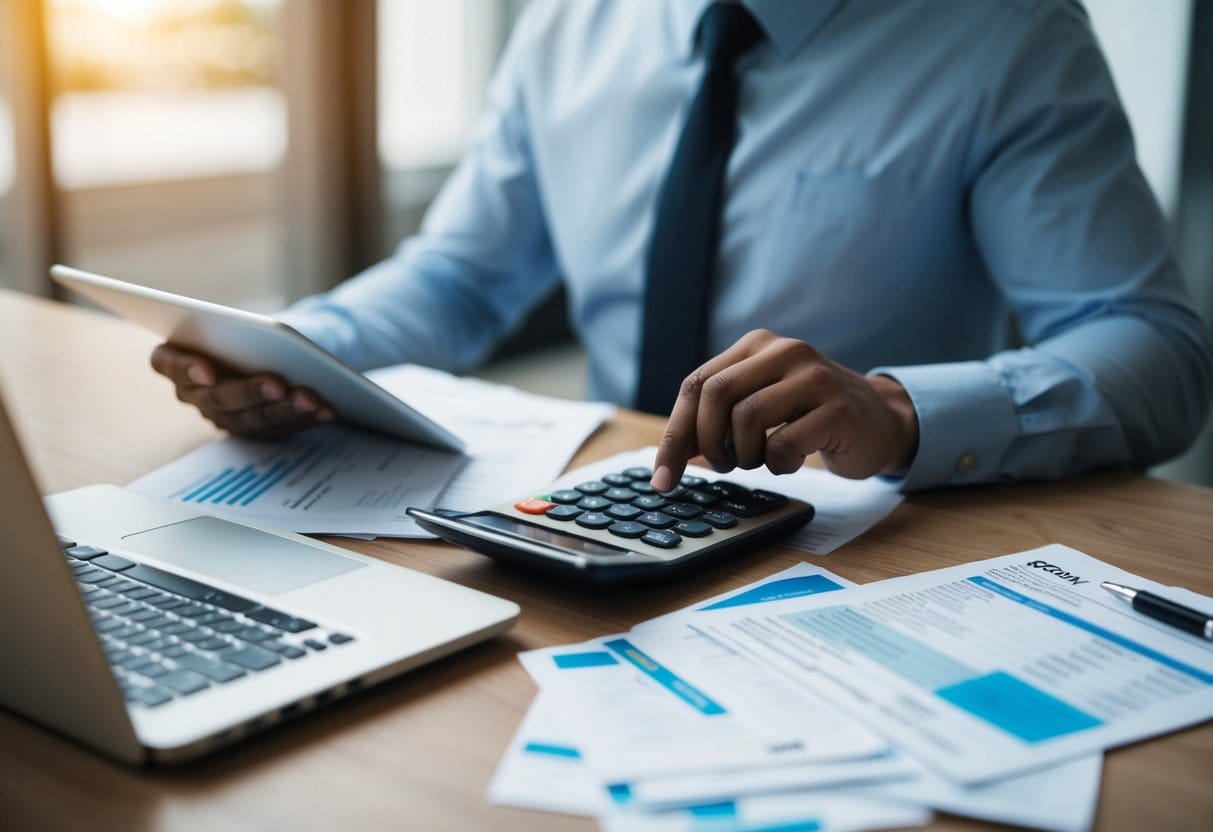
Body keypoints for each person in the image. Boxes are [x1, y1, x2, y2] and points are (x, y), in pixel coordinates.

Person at [151, 0, 1213, 495]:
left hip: (863, 541)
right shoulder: (568, 25)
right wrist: (300, 350)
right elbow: (466, 274)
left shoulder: (1005, 36)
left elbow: (1157, 354)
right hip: (602, 513)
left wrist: (894, 409)